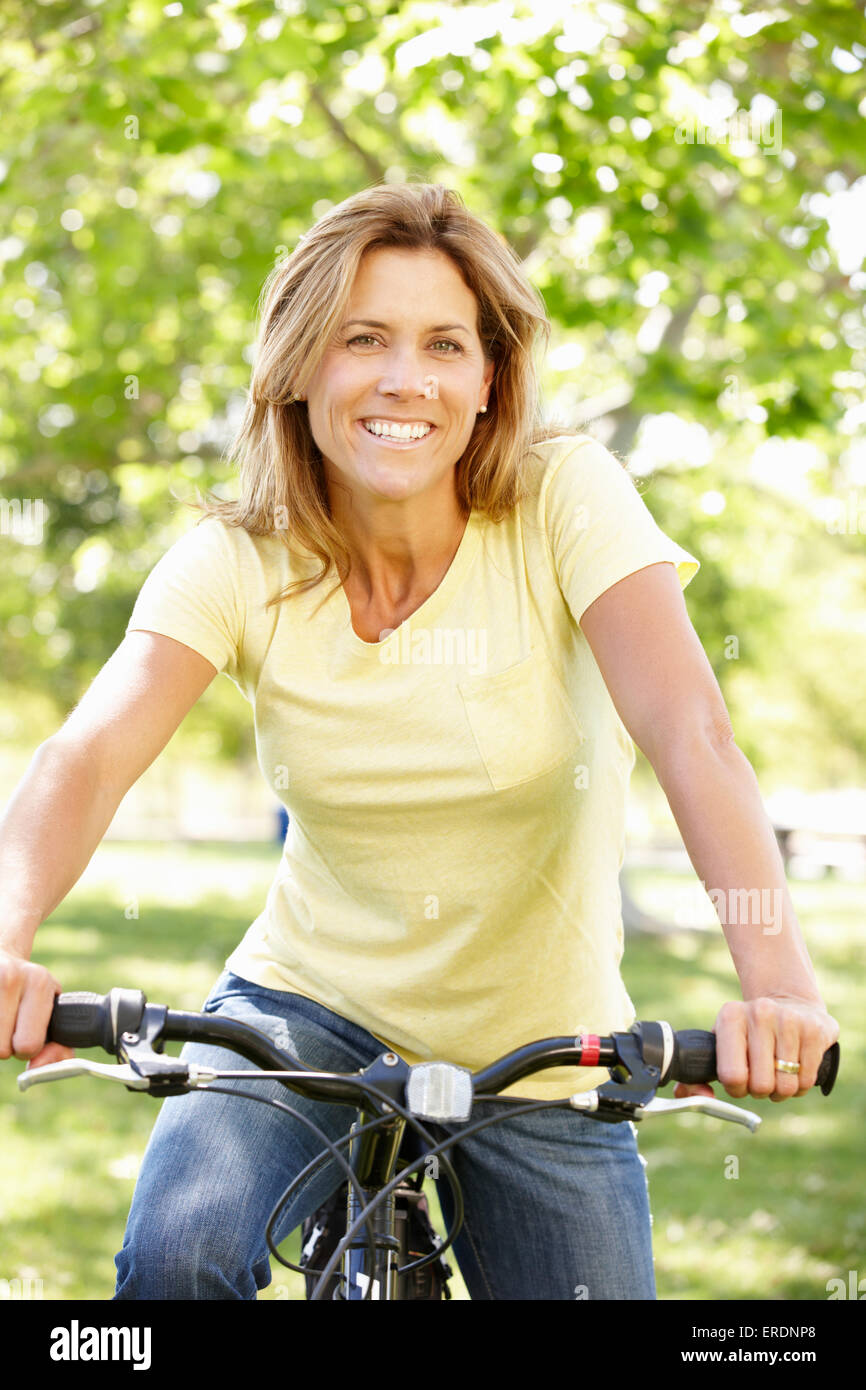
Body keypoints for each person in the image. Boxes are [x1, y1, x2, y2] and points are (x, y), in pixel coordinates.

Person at [0, 183, 838, 1301]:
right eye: (364, 340)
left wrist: (775, 984)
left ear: (488, 379)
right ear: (299, 366)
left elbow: (688, 731)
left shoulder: (562, 499)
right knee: (177, 1257)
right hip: (297, 1011)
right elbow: (86, 757)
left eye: (445, 344)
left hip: (546, 1044)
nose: (407, 380)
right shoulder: (238, 560)